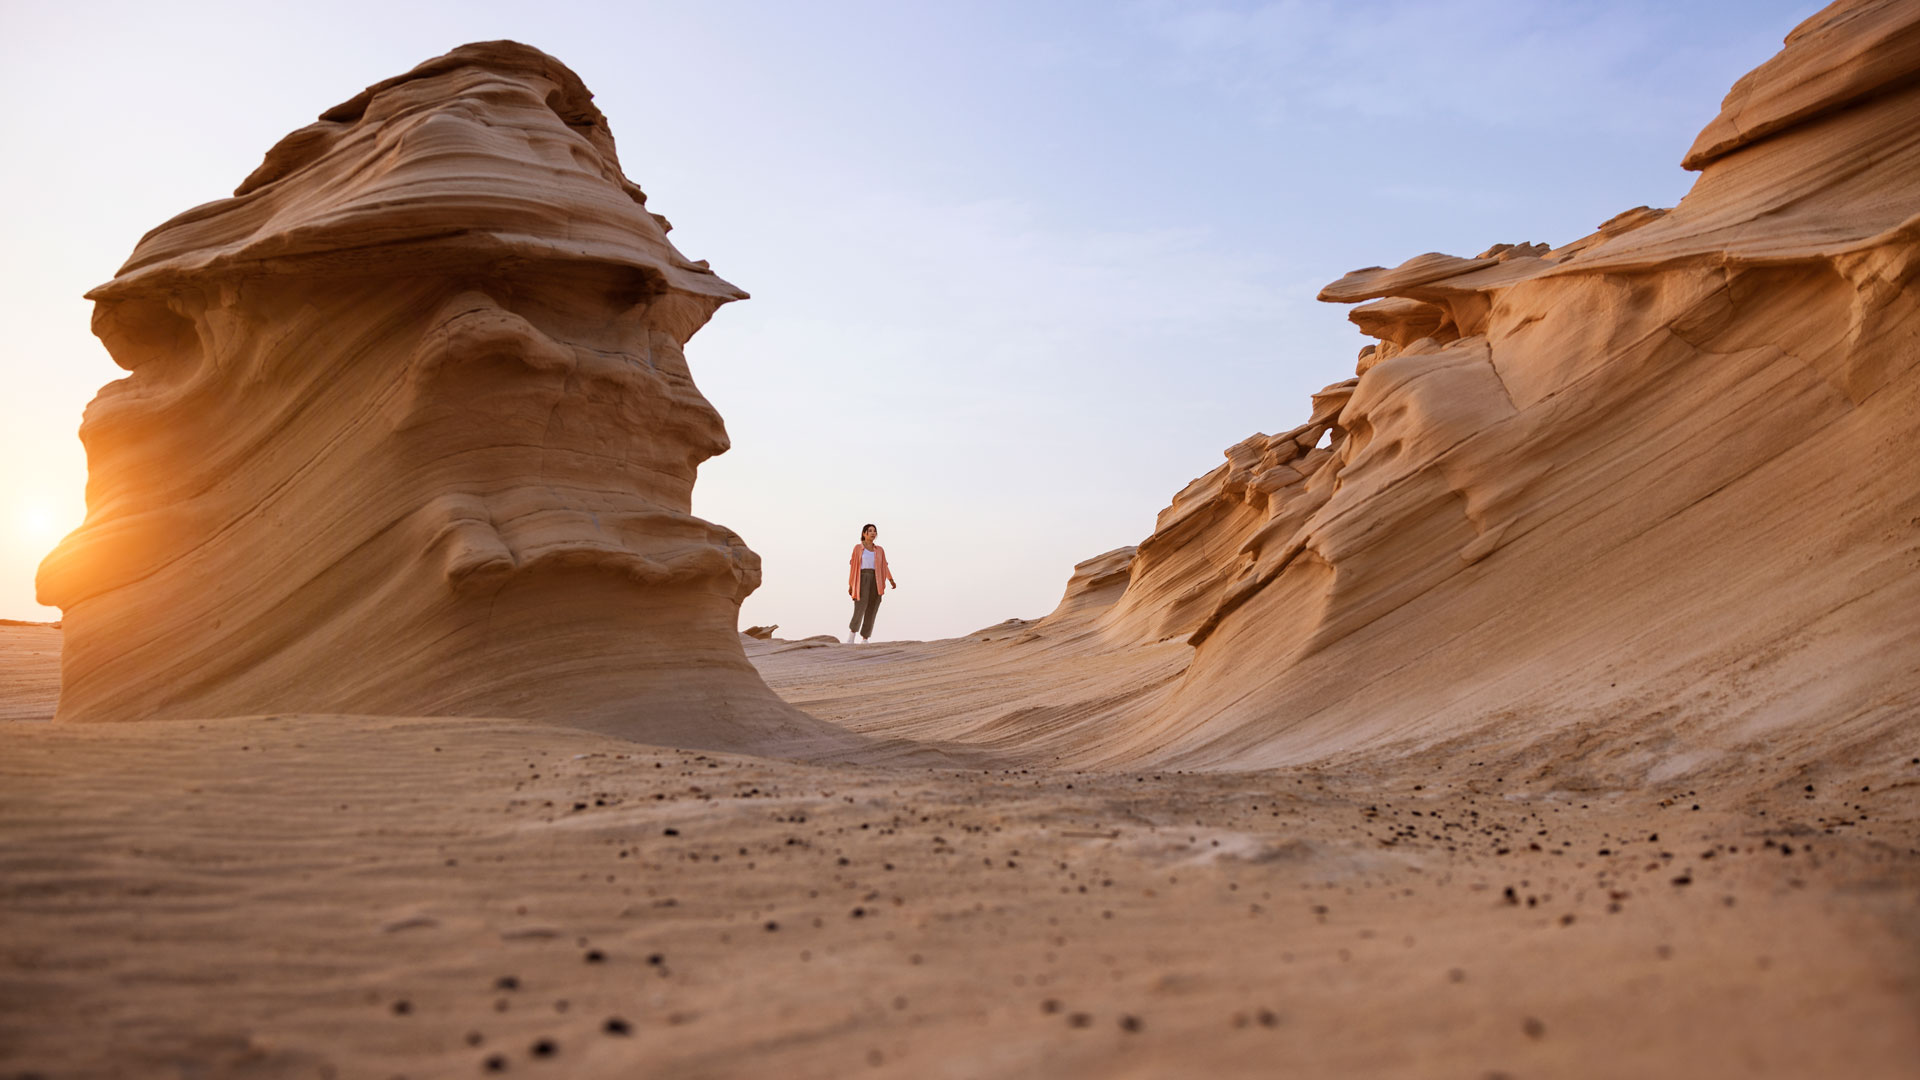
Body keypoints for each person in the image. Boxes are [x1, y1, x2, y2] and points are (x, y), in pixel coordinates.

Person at [847, 523, 897, 643]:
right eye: (870, 531)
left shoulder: (879, 550)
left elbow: (884, 566)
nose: (873, 533)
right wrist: (851, 585)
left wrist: (890, 579)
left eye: (874, 531)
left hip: (877, 579)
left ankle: (865, 638)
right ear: (864, 533)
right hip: (862, 578)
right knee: (860, 606)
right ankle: (851, 636)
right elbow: (853, 567)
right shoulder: (857, 548)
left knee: (873, 607)